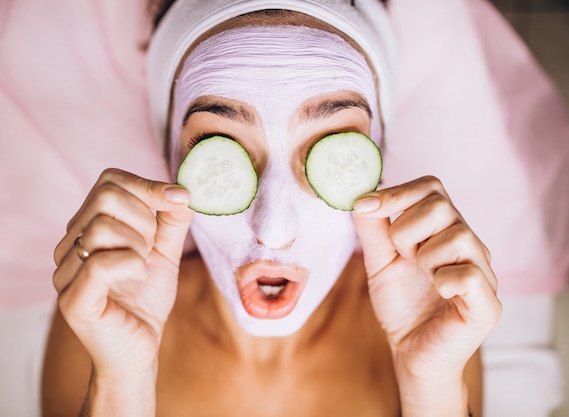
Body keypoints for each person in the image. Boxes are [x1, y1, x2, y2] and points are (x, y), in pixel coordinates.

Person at [40, 1, 502, 416]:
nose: (274, 229)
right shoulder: (106, 313)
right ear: (169, 163)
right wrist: (121, 381)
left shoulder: (430, 314)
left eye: (332, 149)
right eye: (217, 147)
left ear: (378, 164)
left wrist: (431, 387)